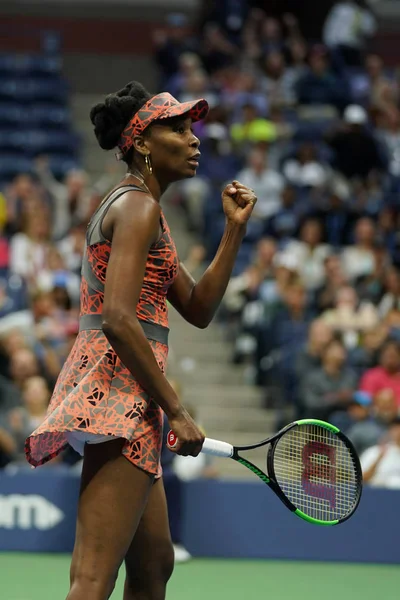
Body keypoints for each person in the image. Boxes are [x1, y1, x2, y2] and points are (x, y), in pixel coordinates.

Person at [25, 81, 257, 600]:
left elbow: (197, 308)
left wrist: (233, 231)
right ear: (142, 143)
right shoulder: (136, 207)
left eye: (192, 127)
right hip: (119, 393)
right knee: (92, 579)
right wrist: (176, 410)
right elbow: (118, 319)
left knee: (153, 565)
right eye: (177, 128)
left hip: (127, 392)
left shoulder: (145, 210)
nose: (193, 138)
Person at [361, 417, 400, 489]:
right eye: (396, 429)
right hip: (377, 494)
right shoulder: (373, 452)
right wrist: (379, 457)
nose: (398, 432)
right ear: (389, 431)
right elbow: (362, 478)